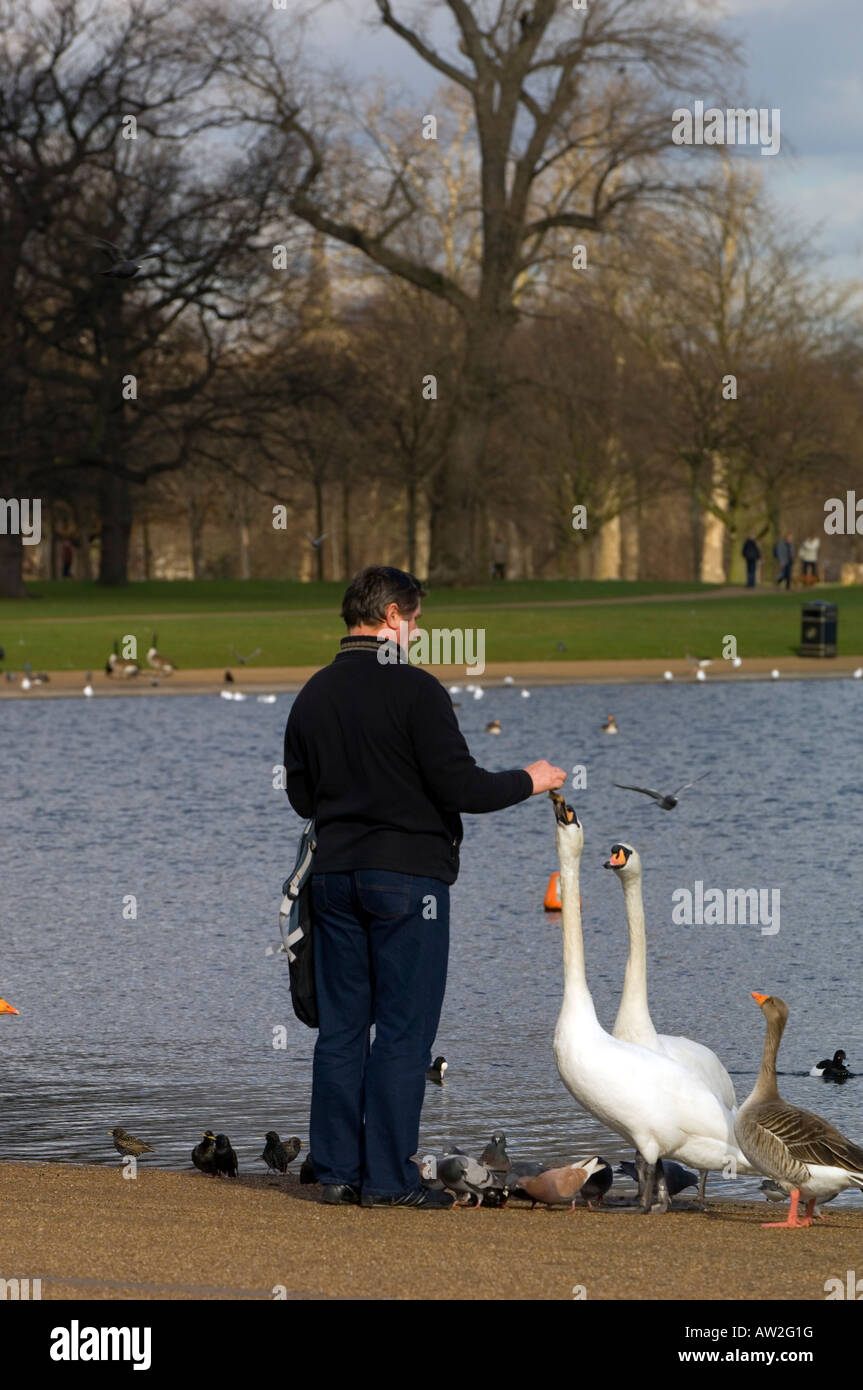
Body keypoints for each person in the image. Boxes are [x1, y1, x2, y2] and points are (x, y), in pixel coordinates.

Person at [283, 565, 566, 1209]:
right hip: (409, 883)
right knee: (406, 1032)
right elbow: (463, 789)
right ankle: (386, 1179)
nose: (417, 633)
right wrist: (532, 777)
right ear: (390, 617)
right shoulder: (417, 691)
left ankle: (334, 1173)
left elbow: (301, 795)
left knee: (344, 1029)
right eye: (414, 620)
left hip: (331, 881)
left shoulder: (312, 694)